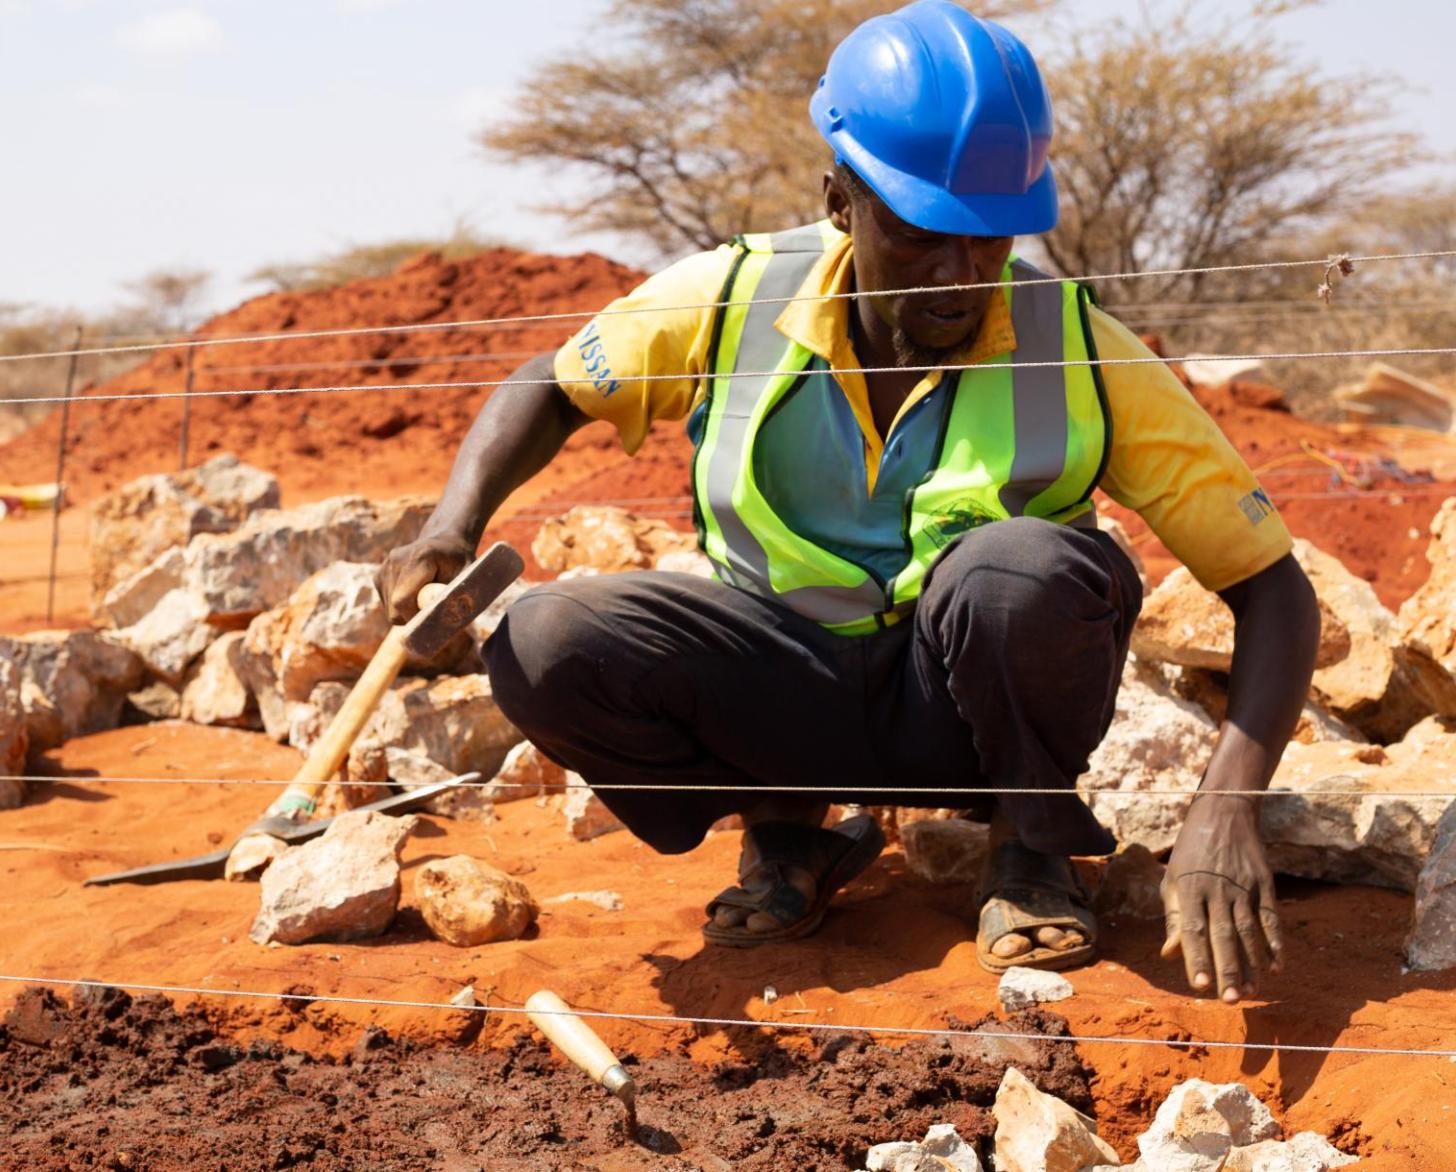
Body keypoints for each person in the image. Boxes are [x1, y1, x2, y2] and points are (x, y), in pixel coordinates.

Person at [378, 0, 1319, 1003]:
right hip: (784, 696)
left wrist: (1229, 805)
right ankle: (785, 830)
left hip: (960, 709)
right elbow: (551, 384)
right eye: (923, 235)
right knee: (545, 637)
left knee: (1020, 571)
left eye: (991, 236)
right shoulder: (733, 294)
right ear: (840, 200)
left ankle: (1028, 847)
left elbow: (1274, 590)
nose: (961, 274)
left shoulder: (1077, 341)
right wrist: (451, 526)